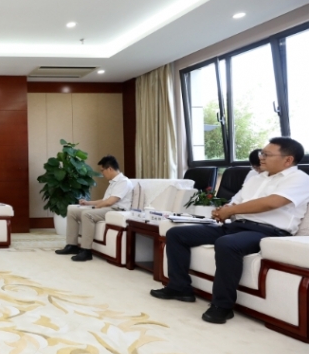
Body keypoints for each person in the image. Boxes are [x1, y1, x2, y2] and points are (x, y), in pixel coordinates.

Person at [151, 137, 309, 324]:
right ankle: (179, 288)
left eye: (267, 154)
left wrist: (231, 211)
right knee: (177, 234)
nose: (261, 157)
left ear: (288, 160)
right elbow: (236, 201)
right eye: (262, 153)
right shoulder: (257, 178)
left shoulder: (299, 179)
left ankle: (222, 306)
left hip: (269, 232)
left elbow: (271, 203)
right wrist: (224, 210)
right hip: (236, 226)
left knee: (227, 244)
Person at [55, 155, 133, 262]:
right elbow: (105, 200)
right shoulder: (113, 182)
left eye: (102, 170)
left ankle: (86, 251)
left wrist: (95, 208)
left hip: (116, 210)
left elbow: (110, 202)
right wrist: (88, 203)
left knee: (87, 214)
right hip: (107, 208)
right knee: (72, 210)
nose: (102, 173)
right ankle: (72, 245)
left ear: (110, 169)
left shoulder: (123, 182)